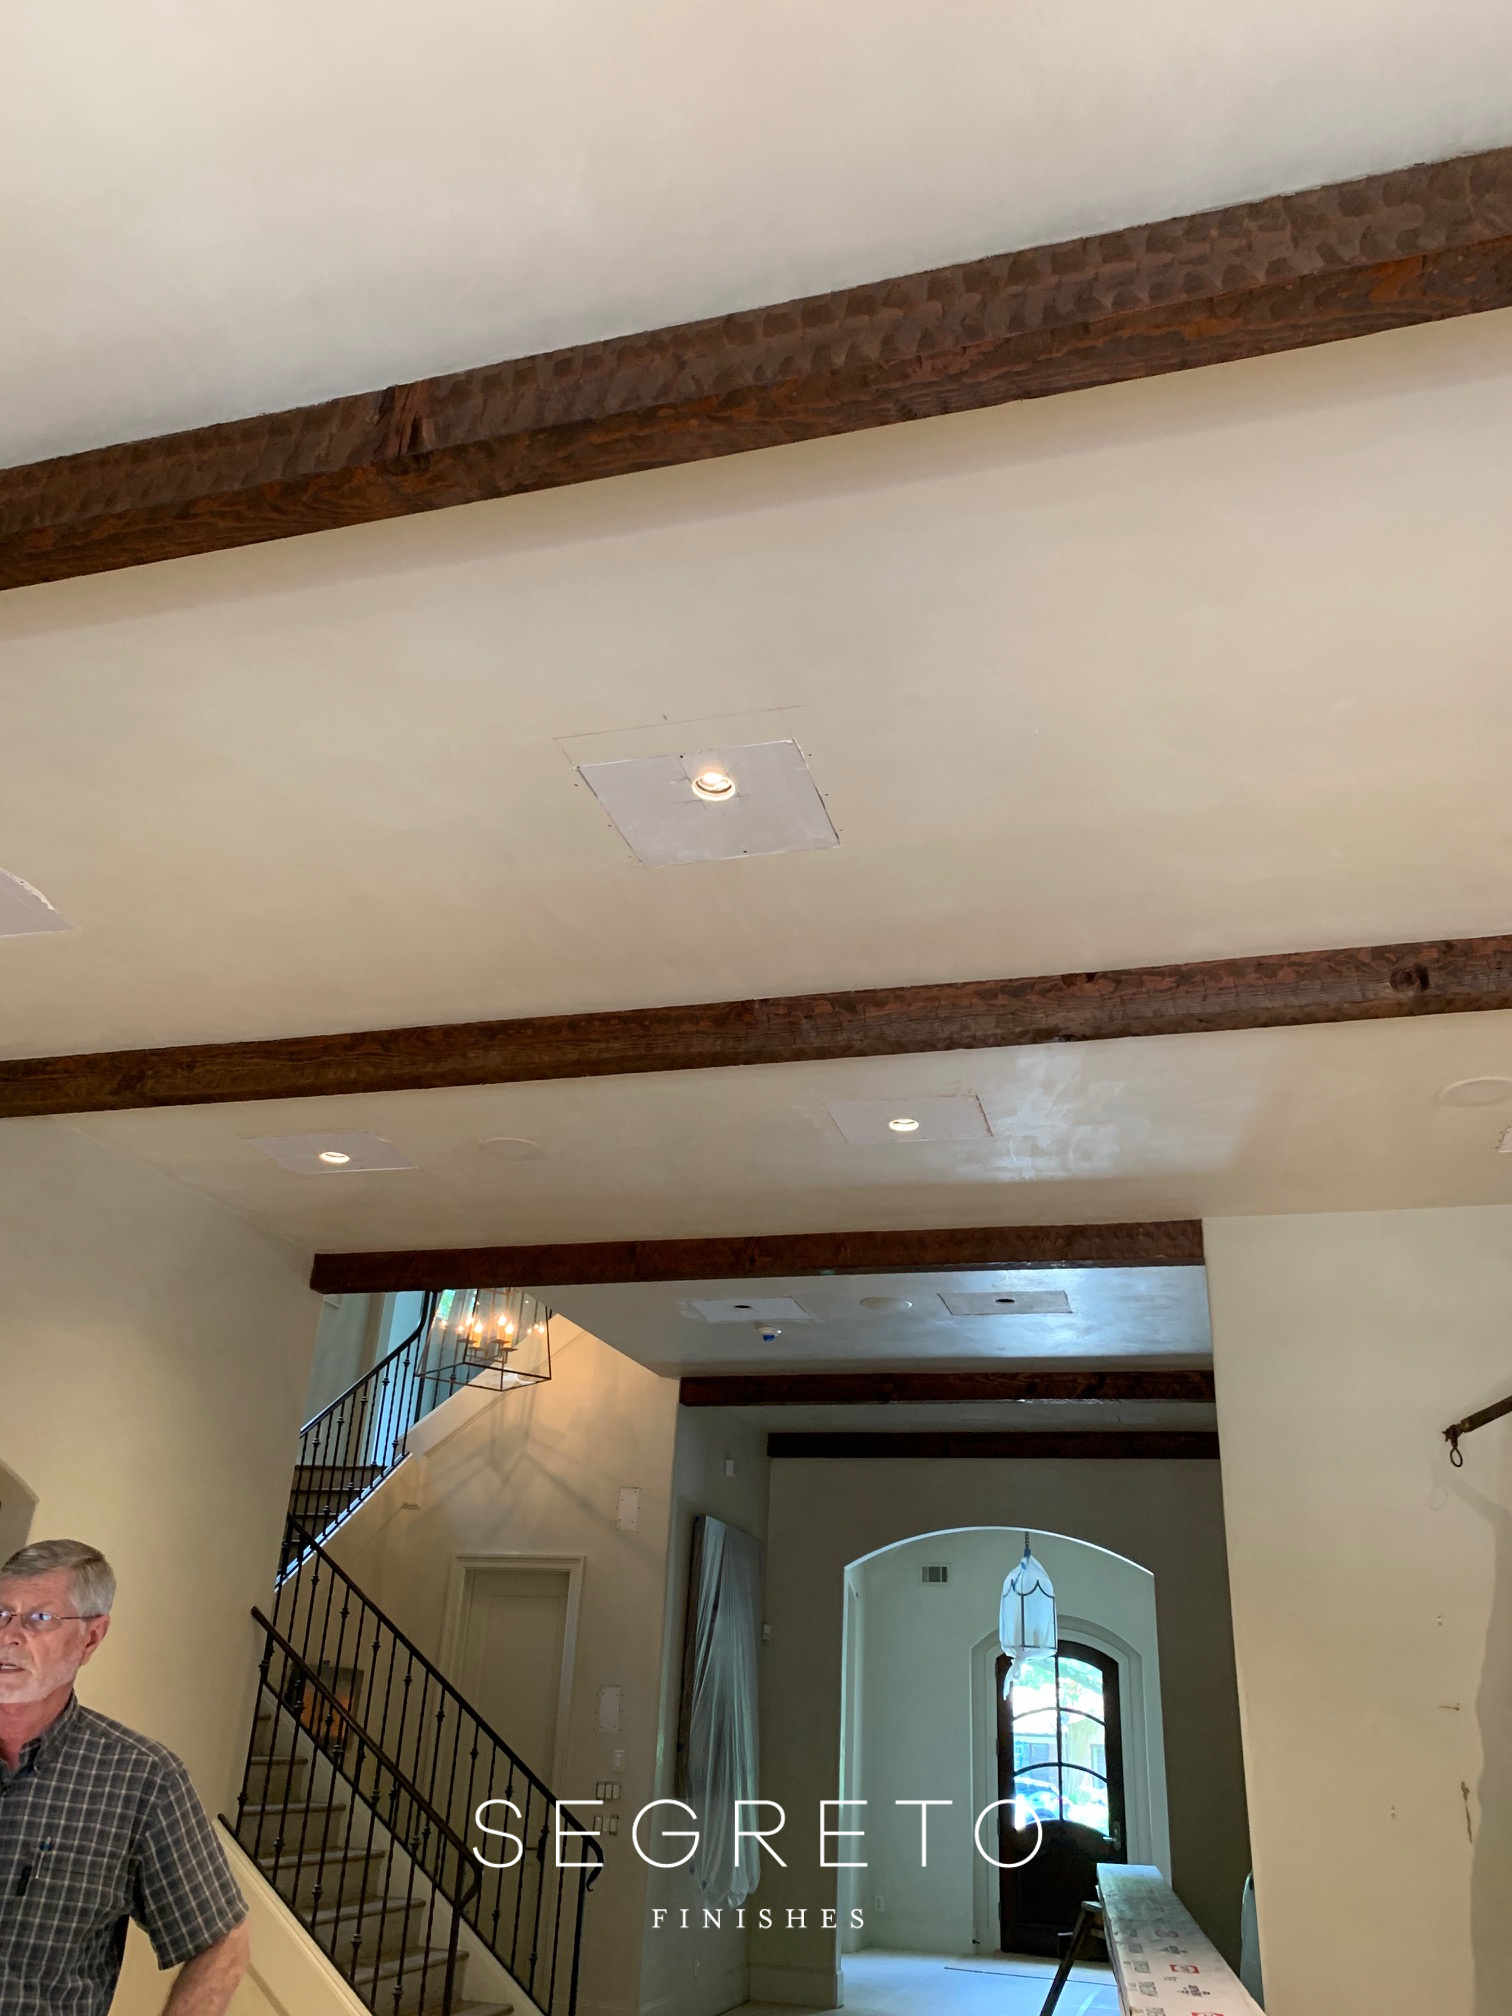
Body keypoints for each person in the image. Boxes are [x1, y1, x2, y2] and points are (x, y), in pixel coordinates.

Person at [0, 1538, 250, 2014]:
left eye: (39, 1618)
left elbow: (221, 1941)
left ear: (91, 1638)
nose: (9, 1635)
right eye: (1, 1613)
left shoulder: (140, 1779)